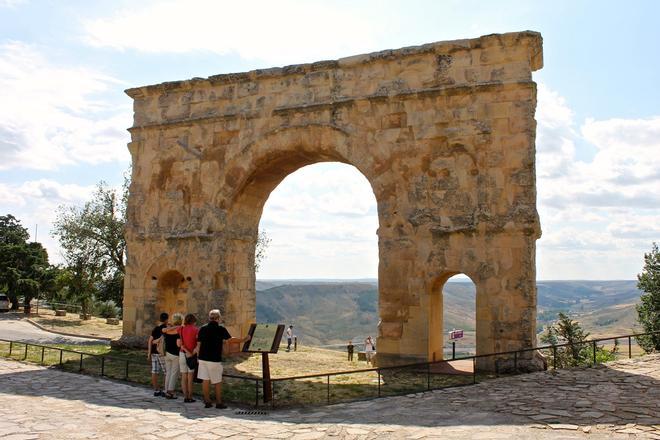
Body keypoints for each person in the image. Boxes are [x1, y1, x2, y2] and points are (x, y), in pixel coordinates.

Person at [196, 309, 250, 409]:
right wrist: (243, 339)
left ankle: (207, 401)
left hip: (203, 358)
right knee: (217, 381)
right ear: (218, 318)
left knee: (205, 380)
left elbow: (199, 344)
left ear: (209, 317)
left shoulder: (202, 328)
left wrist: (198, 357)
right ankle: (219, 402)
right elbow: (230, 339)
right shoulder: (220, 328)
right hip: (214, 358)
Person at [178, 313, 199, 403]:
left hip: (182, 353)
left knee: (183, 376)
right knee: (190, 377)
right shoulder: (196, 330)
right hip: (191, 354)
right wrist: (192, 353)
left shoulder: (180, 329)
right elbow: (197, 344)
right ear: (193, 321)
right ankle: (190, 396)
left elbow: (180, 343)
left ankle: (185, 396)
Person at [147, 312, 168, 397]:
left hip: (154, 352)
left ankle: (156, 390)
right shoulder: (166, 329)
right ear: (166, 319)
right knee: (166, 371)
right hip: (161, 353)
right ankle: (164, 389)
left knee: (154, 371)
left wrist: (149, 353)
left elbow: (150, 341)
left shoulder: (156, 328)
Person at [162, 313, 183, 399]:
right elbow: (178, 344)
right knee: (174, 374)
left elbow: (163, 330)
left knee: (168, 373)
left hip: (167, 353)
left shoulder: (167, 330)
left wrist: (173, 326)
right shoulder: (179, 330)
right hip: (175, 354)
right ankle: (170, 392)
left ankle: (166, 390)